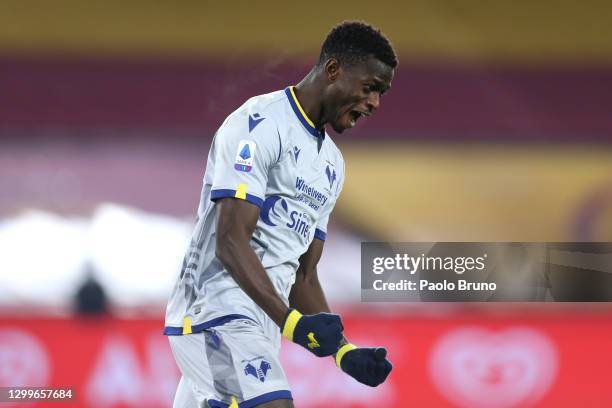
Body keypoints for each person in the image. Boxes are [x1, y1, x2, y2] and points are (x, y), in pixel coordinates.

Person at [164, 20, 397, 408]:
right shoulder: (259, 123)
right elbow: (230, 241)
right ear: (333, 70)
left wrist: (343, 350)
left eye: (381, 93)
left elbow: (303, 275)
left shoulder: (332, 166)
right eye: (370, 88)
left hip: (262, 324)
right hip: (215, 313)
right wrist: (293, 324)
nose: (374, 103)